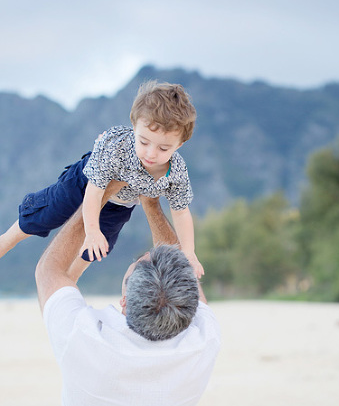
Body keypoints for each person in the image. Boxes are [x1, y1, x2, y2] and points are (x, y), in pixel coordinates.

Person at [36, 190, 220, 406]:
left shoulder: (87, 340)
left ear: (124, 304)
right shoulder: (200, 344)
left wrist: (96, 199)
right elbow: (185, 274)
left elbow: (49, 270)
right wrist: (151, 204)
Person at [0, 80, 204, 279]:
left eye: (163, 148)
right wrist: (91, 230)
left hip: (121, 205)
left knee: (98, 246)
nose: (151, 153)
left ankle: (71, 279)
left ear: (179, 144)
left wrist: (189, 252)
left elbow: (181, 212)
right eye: (143, 142)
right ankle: (6, 241)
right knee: (49, 213)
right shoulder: (118, 149)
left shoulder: (176, 172)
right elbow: (94, 191)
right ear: (134, 127)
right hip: (85, 182)